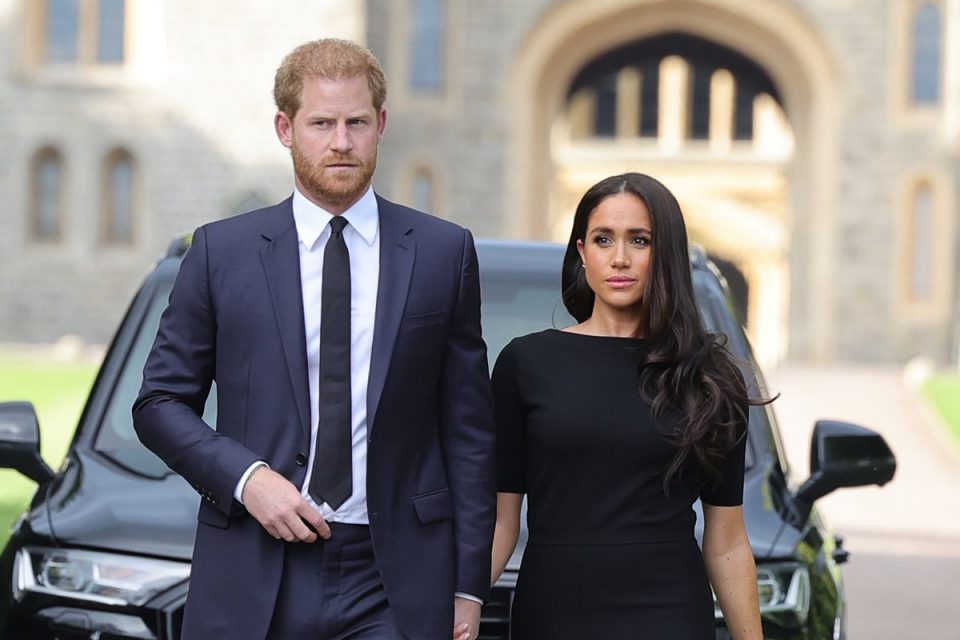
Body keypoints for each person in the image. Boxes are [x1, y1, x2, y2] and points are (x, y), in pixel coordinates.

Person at [133, 39, 495, 640]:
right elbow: (158, 404)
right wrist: (248, 479)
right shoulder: (221, 253)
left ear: (381, 125)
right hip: (255, 565)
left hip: (394, 578)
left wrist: (467, 585)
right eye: (321, 123)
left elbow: (469, 431)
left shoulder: (442, 252)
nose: (342, 142)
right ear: (285, 127)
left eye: (356, 122)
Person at [489, 173, 765, 639]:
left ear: (667, 254)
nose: (620, 258)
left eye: (640, 240)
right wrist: (458, 602)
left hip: (669, 614)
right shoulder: (526, 363)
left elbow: (727, 540)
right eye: (603, 240)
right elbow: (500, 521)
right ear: (581, 252)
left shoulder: (709, 377)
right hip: (555, 613)